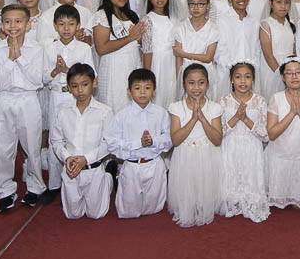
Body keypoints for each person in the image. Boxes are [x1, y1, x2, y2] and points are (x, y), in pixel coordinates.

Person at [0, 4, 47, 212]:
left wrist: (19, 58)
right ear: (2, 25)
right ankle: (4, 190)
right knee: (3, 148)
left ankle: (35, 186)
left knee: (32, 147)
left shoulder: (36, 48)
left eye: (18, 21)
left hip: (28, 99)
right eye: (8, 21)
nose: (13, 26)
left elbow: (37, 80)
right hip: (4, 99)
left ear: (28, 24)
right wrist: (9, 59)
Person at [103, 68, 172, 218]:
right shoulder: (122, 116)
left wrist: (153, 141)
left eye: (147, 88)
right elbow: (112, 143)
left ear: (154, 91)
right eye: (137, 88)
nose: (142, 92)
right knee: (129, 211)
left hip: (154, 163)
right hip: (132, 165)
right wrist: (138, 143)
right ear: (129, 91)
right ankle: (113, 177)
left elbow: (169, 139)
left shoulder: (161, 113)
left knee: (153, 209)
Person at [42, 3, 95, 193]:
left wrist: (67, 70)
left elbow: (91, 75)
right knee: (55, 139)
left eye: (71, 24)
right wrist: (56, 71)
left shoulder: (84, 48)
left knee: (76, 136)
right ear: (55, 26)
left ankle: (78, 177)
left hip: (76, 98)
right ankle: (54, 185)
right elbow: (43, 78)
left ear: (78, 26)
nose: (66, 28)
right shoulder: (49, 48)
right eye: (62, 24)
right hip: (56, 96)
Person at [50, 63, 113, 220]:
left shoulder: (105, 111)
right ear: (69, 88)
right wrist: (67, 158)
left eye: (85, 84)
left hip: (93, 169)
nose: (80, 90)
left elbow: (108, 143)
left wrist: (86, 159)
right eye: (74, 86)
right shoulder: (63, 111)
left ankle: (108, 179)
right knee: (73, 215)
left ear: (94, 83)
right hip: (71, 170)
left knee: (96, 214)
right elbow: (56, 141)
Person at [168, 64, 224, 227]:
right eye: (191, 83)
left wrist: (203, 118)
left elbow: (217, 140)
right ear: (184, 84)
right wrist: (193, 119)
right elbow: (176, 140)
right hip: (185, 156)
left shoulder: (214, 108)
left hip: (207, 155)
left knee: (205, 189)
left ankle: (204, 207)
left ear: (207, 84)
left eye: (201, 83)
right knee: (186, 190)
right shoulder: (176, 108)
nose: (196, 88)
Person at [266, 57, 300, 210]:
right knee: (279, 206)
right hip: (279, 158)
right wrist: (291, 113)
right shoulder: (276, 98)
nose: (294, 76)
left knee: (298, 207)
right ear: (283, 77)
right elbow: (272, 134)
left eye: (298, 72)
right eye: (289, 73)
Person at [219, 60, 269, 222]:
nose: (243, 81)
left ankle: (252, 204)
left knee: (251, 181)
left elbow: (265, 135)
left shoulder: (260, 101)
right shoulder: (224, 101)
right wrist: (235, 118)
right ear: (231, 79)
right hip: (230, 146)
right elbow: (218, 134)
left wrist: (246, 119)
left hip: (252, 147)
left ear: (253, 79)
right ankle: (232, 204)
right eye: (238, 77)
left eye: (247, 77)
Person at [93, 0, 144, 112]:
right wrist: (130, 37)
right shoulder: (102, 16)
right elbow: (101, 48)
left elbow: (137, 42)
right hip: (114, 69)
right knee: (115, 105)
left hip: (132, 64)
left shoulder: (132, 15)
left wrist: (139, 37)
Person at [216, 0, 260, 99]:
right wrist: (233, 70)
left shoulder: (254, 21)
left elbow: (257, 49)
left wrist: (251, 68)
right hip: (228, 73)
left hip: (249, 73)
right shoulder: (222, 20)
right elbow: (220, 50)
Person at [140, 0, 179, 109]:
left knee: (172, 96)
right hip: (157, 63)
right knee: (159, 98)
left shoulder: (174, 18)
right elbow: (147, 50)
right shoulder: (147, 20)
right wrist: (147, 76)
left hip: (173, 62)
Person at [173, 0, 220, 97]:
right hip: (186, 73)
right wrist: (180, 79)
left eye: (200, 4)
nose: (196, 7)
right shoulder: (180, 27)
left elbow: (208, 57)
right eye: (192, 4)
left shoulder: (213, 28)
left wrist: (184, 54)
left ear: (208, 5)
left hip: (206, 73)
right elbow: (178, 58)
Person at [258, 0, 296, 99]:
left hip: (290, 69)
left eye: (286, 2)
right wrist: (281, 76)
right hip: (273, 71)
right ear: (271, 3)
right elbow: (268, 55)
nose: (283, 6)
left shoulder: (290, 24)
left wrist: (291, 72)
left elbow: (293, 50)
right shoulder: (266, 24)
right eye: (279, 2)